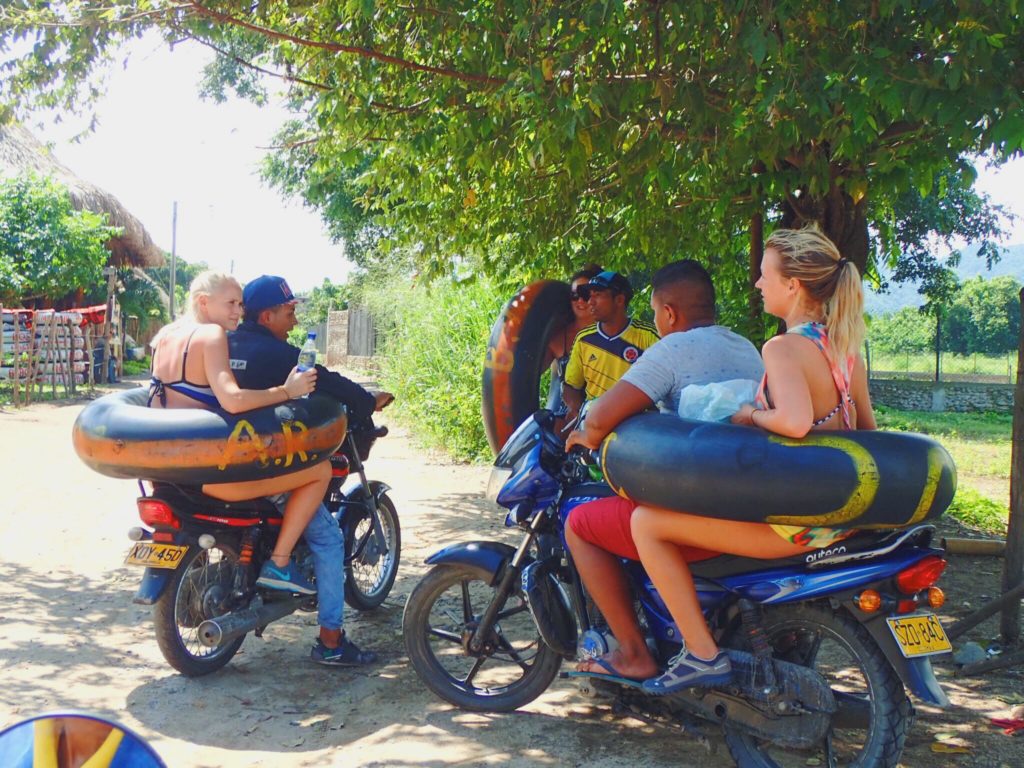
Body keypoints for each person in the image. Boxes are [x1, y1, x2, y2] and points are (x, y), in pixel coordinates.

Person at [630, 226, 877, 694]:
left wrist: (750, 413)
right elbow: (868, 432)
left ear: (793, 286)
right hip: (837, 520)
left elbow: (795, 421)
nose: (757, 285)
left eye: (764, 276)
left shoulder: (783, 347)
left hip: (793, 523)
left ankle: (701, 654)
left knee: (646, 522)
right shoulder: (845, 353)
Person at [564, 260, 764, 682]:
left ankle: (634, 652)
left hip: (696, 512)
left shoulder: (670, 350)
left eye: (657, 313)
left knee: (580, 524)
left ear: (669, 313)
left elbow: (599, 419)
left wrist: (584, 434)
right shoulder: (747, 348)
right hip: (749, 506)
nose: (656, 321)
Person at [228, 274, 393, 666]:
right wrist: (368, 401)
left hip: (221, 466)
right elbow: (329, 383)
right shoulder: (281, 355)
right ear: (267, 315)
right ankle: (332, 642)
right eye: (289, 312)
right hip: (267, 467)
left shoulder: (223, 345)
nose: (295, 321)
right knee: (329, 539)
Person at [148, 271, 327, 597]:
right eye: (230, 303)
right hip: (210, 476)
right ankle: (280, 563)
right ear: (203, 303)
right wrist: (287, 391)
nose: (238, 312)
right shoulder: (211, 335)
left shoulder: (164, 336)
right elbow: (232, 399)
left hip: (167, 473)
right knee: (319, 471)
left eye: (241, 304)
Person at [562, 270, 659, 424]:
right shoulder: (583, 339)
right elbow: (570, 387)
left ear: (619, 300)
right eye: (590, 296)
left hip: (637, 428)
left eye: (598, 295)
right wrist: (578, 412)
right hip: (594, 426)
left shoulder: (649, 336)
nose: (590, 302)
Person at [544, 264, 604, 414]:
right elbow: (526, 377)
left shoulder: (614, 332)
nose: (580, 301)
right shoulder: (558, 338)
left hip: (608, 417)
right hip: (565, 423)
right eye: (574, 296)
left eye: (585, 294)